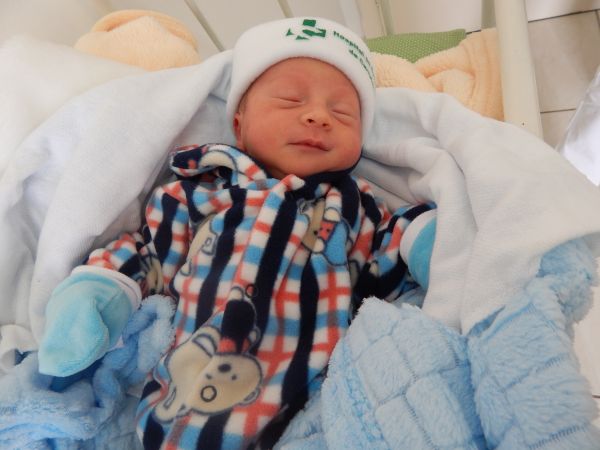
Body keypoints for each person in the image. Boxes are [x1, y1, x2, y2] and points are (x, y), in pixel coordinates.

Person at [38, 16, 436, 449]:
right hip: (190, 393)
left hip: (317, 403)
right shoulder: (199, 192)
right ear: (240, 124)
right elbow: (148, 256)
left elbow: (386, 258)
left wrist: (423, 239)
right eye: (290, 100)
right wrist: (100, 292)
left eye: (343, 112)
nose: (319, 116)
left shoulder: (355, 204)